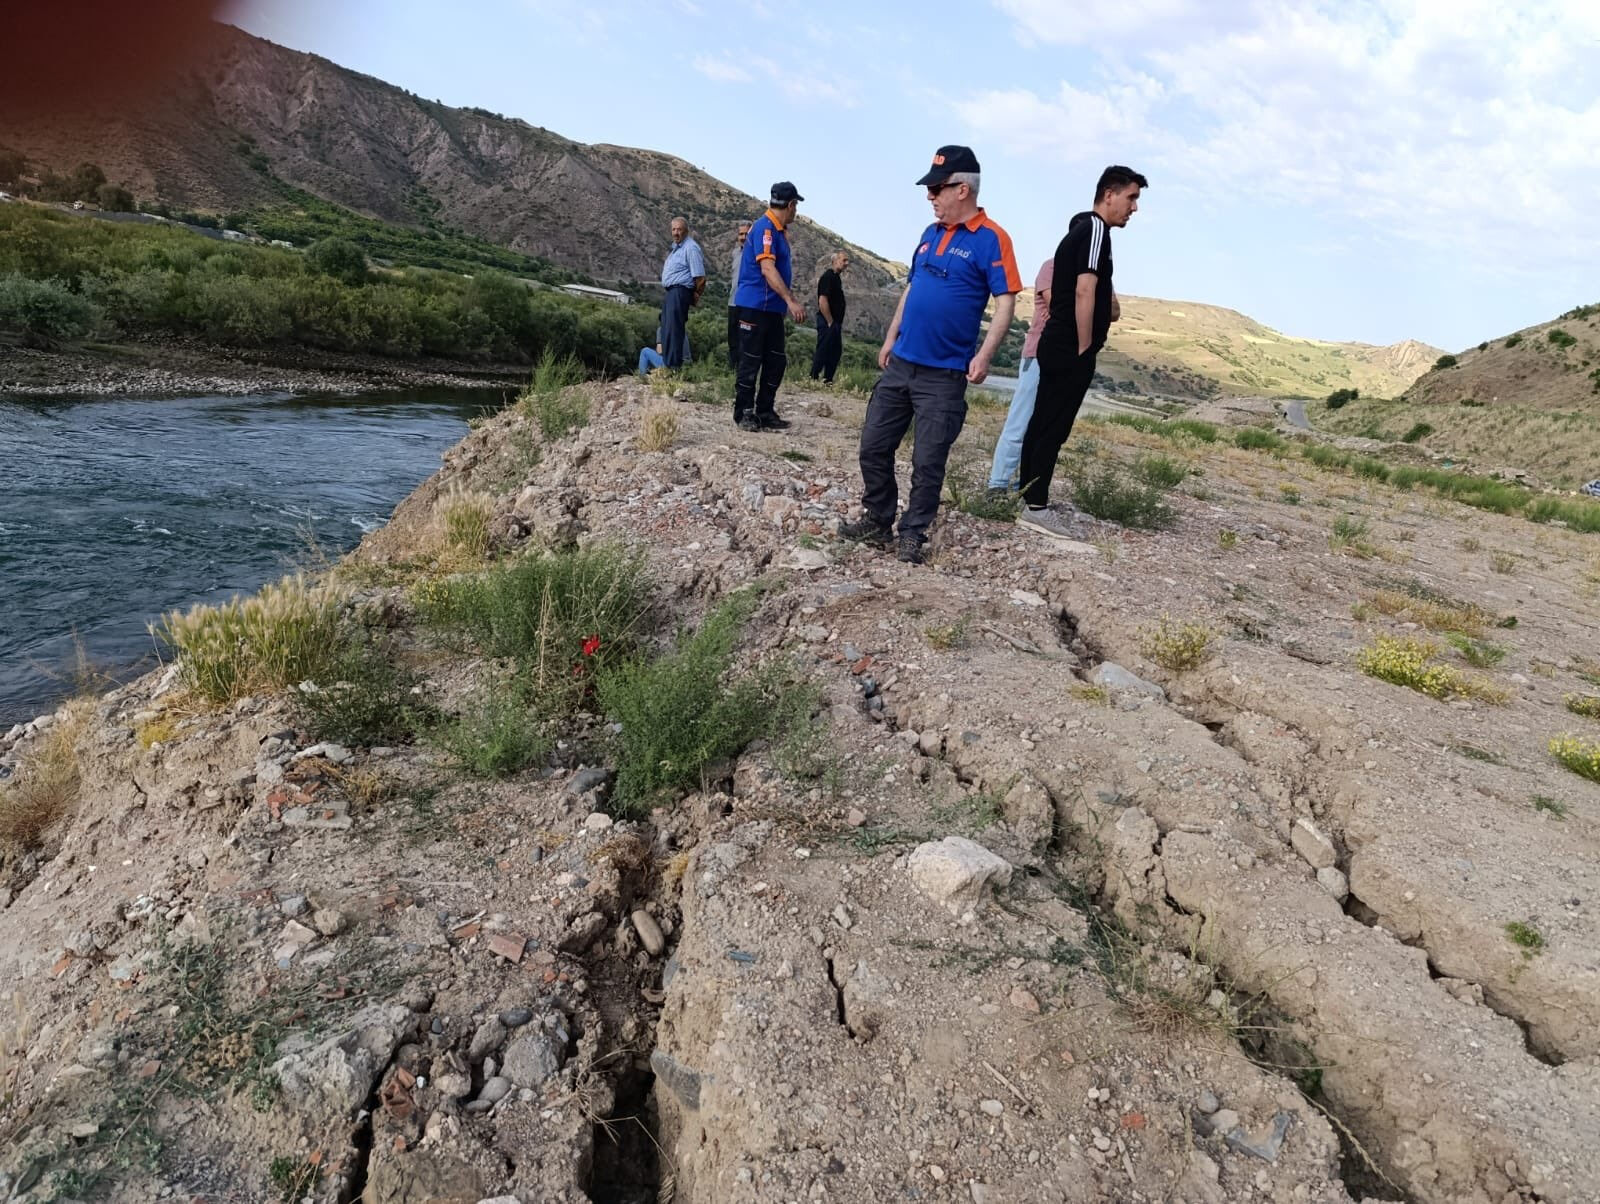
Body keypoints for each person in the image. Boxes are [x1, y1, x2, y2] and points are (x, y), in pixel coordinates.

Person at [841, 146, 1020, 564]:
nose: (930, 196)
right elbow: (911, 289)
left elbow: (1006, 301)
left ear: (963, 189)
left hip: (943, 375)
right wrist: (890, 337)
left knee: (928, 460)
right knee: (873, 444)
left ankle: (913, 532)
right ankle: (878, 517)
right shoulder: (929, 235)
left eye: (936, 188)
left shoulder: (992, 238)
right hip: (902, 363)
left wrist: (985, 355)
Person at [1016, 165, 1146, 540]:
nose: (1134, 208)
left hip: (1056, 344)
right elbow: (1085, 290)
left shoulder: (1080, 230)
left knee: (1042, 420)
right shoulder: (1095, 230)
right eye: (1131, 197)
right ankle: (1036, 507)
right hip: (1069, 346)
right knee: (1054, 426)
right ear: (1109, 194)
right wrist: (1085, 346)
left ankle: (1026, 495)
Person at [732, 182, 807, 431]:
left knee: (775, 361)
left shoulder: (778, 231)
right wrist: (790, 300)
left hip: (772, 309)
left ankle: (765, 410)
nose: (796, 212)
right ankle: (744, 412)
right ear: (790, 205)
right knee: (751, 360)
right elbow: (767, 268)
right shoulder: (765, 228)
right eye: (795, 206)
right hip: (756, 306)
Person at [985, 254, 1055, 493]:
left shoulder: (1094, 278)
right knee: (1020, 421)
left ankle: (1022, 487)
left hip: (1064, 360)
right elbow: (1060, 308)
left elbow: (1113, 310)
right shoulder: (1052, 267)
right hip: (1037, 355)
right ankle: (998, 484)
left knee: (1044, 427)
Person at [659, 215, 705, 369]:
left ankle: (673, 368)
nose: (676, 232)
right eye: (673, 229)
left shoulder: (690, 248)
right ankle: (668, 366)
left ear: (686, 231)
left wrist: (695, 295)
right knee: (666, 329)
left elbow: (700, 278)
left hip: (680, 292)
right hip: (672, 292)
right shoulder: (675, 249)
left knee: (674, 330)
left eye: (679, 229)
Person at [810, 250, 849, 383]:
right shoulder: (828, 277)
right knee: (823, 349)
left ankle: (827, 380)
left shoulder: (836, 278)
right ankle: (813, 378)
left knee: (834, 352)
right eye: (844, 260)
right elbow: (822, 300)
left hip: (834, 322)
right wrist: (830, 321)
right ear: (835, 260)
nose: (846, 264)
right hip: (828, 321)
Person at [728, 221, 749, 369]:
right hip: (733, 302)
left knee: (745, 341)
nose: (743, 237)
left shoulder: (755, 253)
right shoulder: (735, 253)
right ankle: (731, 371)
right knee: (732, 339)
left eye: (746, 234)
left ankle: (742, 373)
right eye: (741, 234)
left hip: (747, 303)